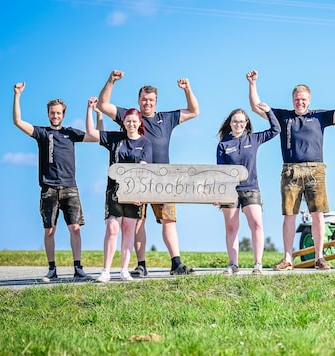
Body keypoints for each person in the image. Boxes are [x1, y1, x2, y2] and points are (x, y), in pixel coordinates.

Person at [246, 70, 335, 270]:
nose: (300, 103)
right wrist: (253, 84)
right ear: (292, 100)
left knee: (318, 214)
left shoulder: (320, 116)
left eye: (303, 99)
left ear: (309, 100)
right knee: (290, 215)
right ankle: (288, 259)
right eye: (297, 99)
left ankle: (319, 258)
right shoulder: (283, 116)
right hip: (290, 171)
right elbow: (256, 107)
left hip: (316, 171)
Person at [97, 69, 200, 276]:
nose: (147, 103)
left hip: (164, 179)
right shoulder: (131, 117)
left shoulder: (166, 118)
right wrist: (111, 81)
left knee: (168, 220)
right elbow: (103, 105)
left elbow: (194, 110)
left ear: (156, 101)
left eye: (151, 100)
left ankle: (176, 263)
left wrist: (187, 89)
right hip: (138, 181)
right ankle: (141, 264)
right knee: (137, 222)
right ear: (138, 100)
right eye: (144, 100)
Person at [12, 82, 98, 282]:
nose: (55, 116)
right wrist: (17, 95)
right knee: (49, 230)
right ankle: (52, 269)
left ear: (63, 114)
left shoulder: (71, 133)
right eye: (52, 113)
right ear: (48, 114)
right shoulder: (42, 133)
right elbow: (17, 121)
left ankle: (78, 268)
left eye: (58, 113)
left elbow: (95, 137)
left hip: (70, 187)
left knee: (75, 228)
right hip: (48, 188)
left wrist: (96, 113)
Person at [85, 97, 152, 283]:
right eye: (128, 120)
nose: (131, 123)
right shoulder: (115, 138)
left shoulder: (146, 143)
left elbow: (144, 169)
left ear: (139, 123)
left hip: (135, 194)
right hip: (114, 191)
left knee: (129, 230)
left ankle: (124, 270)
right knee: (112, 229)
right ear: (124, 122)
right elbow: (91, 132)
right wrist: (90, 110)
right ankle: (106, 270)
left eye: (134, 121)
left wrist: (140, 194)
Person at [216, 104, 280, 275]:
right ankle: (233, 264)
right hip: (230, 192)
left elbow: (275, 130)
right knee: (231, 227)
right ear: (230, 123)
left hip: (251, 188)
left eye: (242, 122)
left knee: (257, 224)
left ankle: (258, 264)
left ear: (246, 123)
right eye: (235, 122)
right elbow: (220, 172)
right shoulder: (223, 144)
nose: (238, 125)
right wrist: (218, 194)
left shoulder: (254, 139)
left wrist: (268, 112)